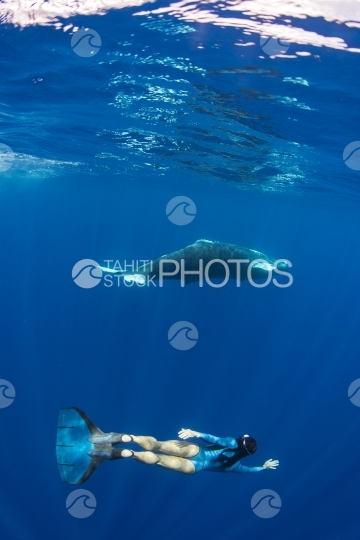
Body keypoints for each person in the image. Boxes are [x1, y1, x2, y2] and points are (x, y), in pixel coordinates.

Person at [56, 408, 279, 484]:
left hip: (196, 449)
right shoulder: (235, 465)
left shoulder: (231, 442)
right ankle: (126, 452)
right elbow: (250, 471)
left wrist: (195, 433)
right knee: (158, 459)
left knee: (158, 445)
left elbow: (218, 440)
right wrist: (264, 467)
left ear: (240, 440)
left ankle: (125, 438)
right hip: (195, 468)